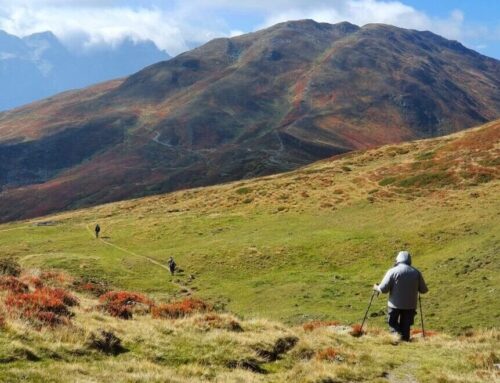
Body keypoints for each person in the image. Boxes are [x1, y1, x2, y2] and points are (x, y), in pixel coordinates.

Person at [373, 251, 428, 342]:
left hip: (394, 305)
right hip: (410, 305)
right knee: (406, 326)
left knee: (392, 322)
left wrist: (376, 287)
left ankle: (397, 339)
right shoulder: (416, 272)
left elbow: (383, 289)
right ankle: (405, 341)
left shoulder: (393, 271)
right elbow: (424, 290)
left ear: (398, 260)